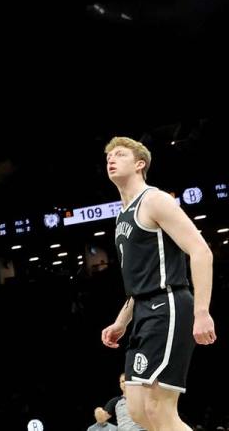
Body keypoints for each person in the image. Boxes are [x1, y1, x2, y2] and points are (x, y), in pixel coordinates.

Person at [100, 137, 216, 431]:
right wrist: (121, 321)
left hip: (168, 305)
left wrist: (202, 311)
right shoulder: (122, 216)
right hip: (143, 310)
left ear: (140, 164)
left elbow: (201, 251)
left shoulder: (155, 200)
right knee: (137, 410)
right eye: (108, 156)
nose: (111, 159)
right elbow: (137, 282)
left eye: (120, 154)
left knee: (158, 408)